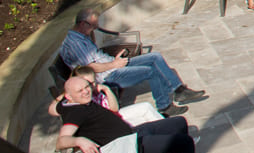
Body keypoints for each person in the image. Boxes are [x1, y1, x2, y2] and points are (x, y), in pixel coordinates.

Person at [56, 75, 225, 153]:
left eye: (87, 87)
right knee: (184, 142)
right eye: (80, 91)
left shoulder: (66, 104)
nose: (86, 91)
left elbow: (55, 106)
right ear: (69, 96)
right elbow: (61, 141)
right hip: (127, 149)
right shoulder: (75, 113)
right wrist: (79, 141)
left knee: (179, 122)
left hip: (131, 135)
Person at [57, 10, 206, 118]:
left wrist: (114, 60)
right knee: (151, 71)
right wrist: (114, 64)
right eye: (93, 26)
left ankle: (179, 91)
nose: (94, 30)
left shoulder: (82, 36)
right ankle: (164, 107)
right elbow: (90, 68)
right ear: (82, 24)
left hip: (112, 65)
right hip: (109, 75)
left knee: (155, 57)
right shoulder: (75, 43)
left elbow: (95, 57)